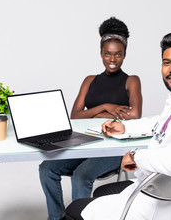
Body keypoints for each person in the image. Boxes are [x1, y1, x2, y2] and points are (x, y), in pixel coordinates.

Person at [65, 32, 171, 220]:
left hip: (164, 202)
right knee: (103, 192)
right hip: (165, 187)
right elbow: (162, 122)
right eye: (167, 62)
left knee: (75, 209)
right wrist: (126, 128)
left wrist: (137, 156)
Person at [39, 17, 143, 220]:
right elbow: (74, 116)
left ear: (124, 55)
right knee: (46, 169)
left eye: (118, 54)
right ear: (101, 54)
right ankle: (57, 217)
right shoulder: (90, 81)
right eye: (107, 54)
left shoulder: (131, 81)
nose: (112, 59)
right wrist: (106, 108)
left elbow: (134, 115)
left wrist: (94, 112)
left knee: (82, 175)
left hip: (114, 147)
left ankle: (81, 218)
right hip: (86, 142)